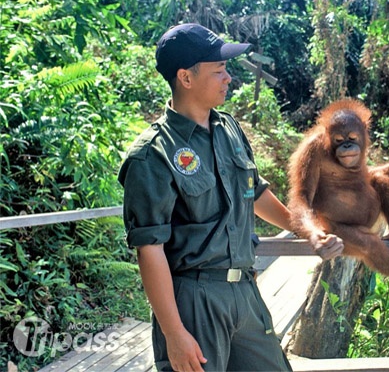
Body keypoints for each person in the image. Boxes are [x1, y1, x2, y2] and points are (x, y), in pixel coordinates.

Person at [118, 23, 324, 372]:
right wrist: (174, 332)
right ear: (185, 77)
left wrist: (306, 228)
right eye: (219, 71)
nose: (228, 78)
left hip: (244, 291)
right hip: (195, 300)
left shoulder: (228, 129)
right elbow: (149, 248)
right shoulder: (153, 154)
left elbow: (253, 192)